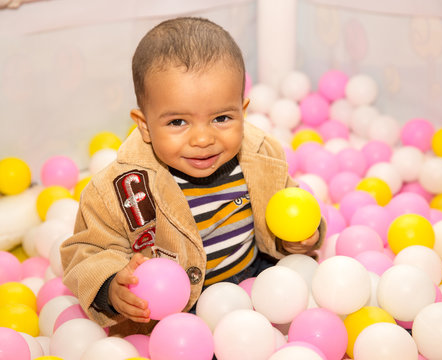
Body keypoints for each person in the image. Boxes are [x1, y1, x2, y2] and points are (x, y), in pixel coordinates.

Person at [61, 16, 325, 336]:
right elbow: (86, 250)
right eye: (178, 123)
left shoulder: (260, 156)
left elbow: (290, 207)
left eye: (221, 118)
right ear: (144, 125)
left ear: (243, 111)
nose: (202, 139)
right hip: (178, 315)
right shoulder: (121, 188)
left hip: (260, 285)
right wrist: (111, 285)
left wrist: (301, 238)